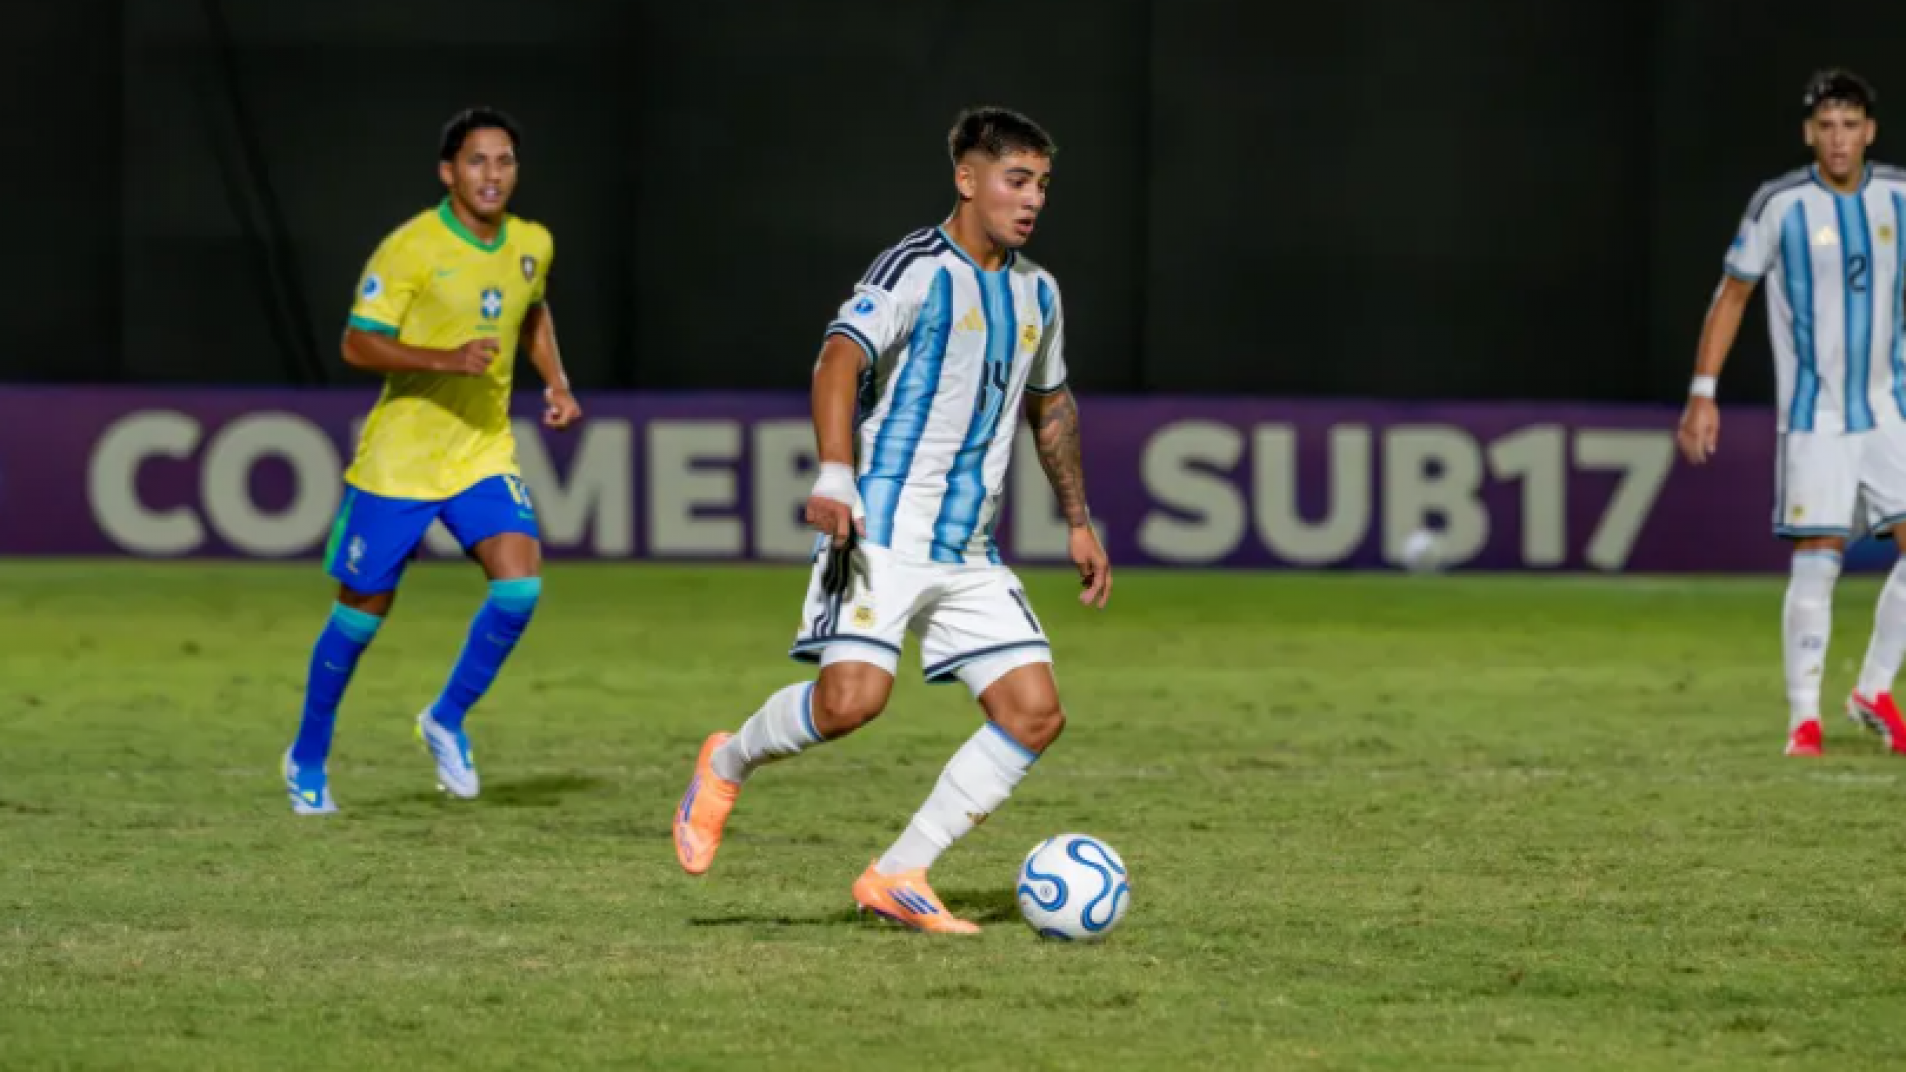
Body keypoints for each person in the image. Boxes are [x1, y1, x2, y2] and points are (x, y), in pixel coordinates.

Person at [672, 106, 1111, 932]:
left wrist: (1078, 520)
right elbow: (838, 358)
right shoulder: (916, 267)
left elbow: (1051, 405)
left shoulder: (1038, 292)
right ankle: (725, 763)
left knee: (1034, 713)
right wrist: (836, 476)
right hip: (882, 529)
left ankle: (900, 872)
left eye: (1043, 185)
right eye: (1017, 180)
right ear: (967, 179)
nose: (1033, 200)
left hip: (968, 546)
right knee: (850, 704)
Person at [283, 106, 582, 813]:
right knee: (362, 614)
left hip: (481, 450)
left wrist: (556, 380)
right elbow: (357, 343)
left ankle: (445, 718)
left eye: (504, 160)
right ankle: (307, 755)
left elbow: (532, 309)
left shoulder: (532, 242)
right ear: (449, 173)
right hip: (401, 461)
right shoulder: (410, 248)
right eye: (477, 161)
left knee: (519, 588)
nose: (492, 174)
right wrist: (445, 359)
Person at [1677, 69, 1906, 756]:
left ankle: (1874, 689)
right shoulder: (1780, 205)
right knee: (1819, 555)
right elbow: (1732, 295)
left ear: (1869, 131)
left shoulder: (1899, 196)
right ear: (1809, 133)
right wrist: (1703, 391)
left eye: (1850, 125)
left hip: (1889, 408)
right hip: (1816, 416)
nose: (1838, 139)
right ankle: (1804, 720)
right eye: (1826, 126)